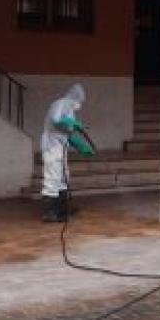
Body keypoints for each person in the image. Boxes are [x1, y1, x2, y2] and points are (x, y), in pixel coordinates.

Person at [40, 83, 96, 223]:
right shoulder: (60, 104)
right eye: (78, 101)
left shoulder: (70, 110)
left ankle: (62, 209)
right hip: (51, 147)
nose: (78, 104)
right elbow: (56, 120)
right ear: (73, 97)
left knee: (64, 177)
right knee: (52, 178)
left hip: (61, 147)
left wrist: (82, 147)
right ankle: (50, 212)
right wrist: (74, 122)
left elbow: (68, 133)